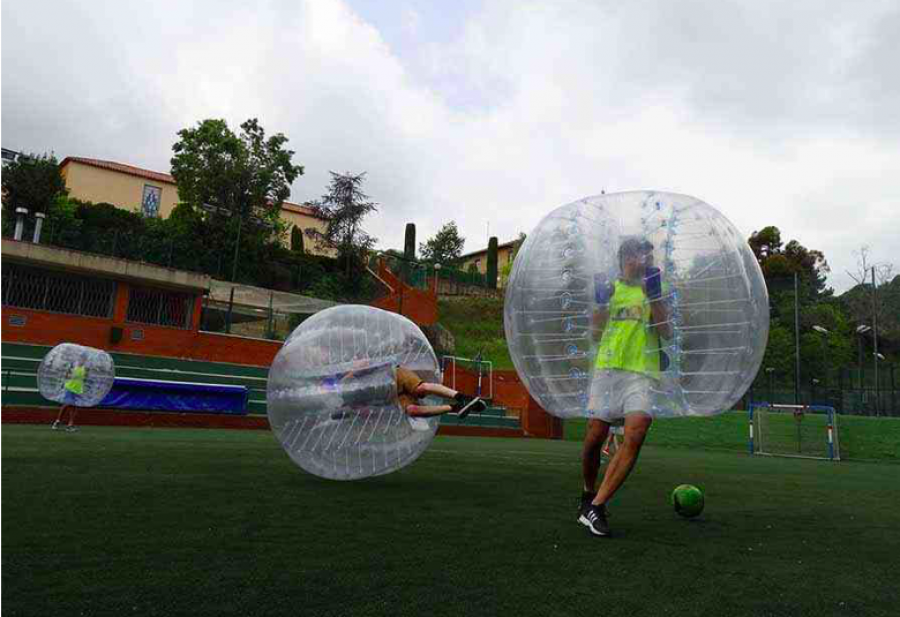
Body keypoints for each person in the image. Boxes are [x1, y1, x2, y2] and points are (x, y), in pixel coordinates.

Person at [578, 237, 672, 537]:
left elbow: (667, 333)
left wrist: (655, 298)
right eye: (637, 255)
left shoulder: (652, 291)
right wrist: (602, 304)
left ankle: (597, 505)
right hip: (608, 369)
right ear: (624, 258)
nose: (642, 260)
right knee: (595, 436)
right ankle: (587, 493)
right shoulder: (611, 288)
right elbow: (594, 334)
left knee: (637, 431)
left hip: (641, 372)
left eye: (647, 255)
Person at [328, 363, 487, 420]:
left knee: (421, 388)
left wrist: (355, 371)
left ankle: (462, 397)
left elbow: (366, 366)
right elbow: (367, 412)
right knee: (412, 410)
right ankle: (456, 408)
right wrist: (348, 413)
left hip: (396, 376)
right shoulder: (352, 403)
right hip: (393, 396)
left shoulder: (345, 382)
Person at [51, 364, 86, 433]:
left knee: (74, 407)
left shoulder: (85, 368)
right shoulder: (73, 365)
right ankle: (58, 421)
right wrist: (70, 375)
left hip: (78, 389)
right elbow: (66, 375)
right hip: (70, 388)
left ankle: (70, 425)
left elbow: (84, 378)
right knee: (66, 405)